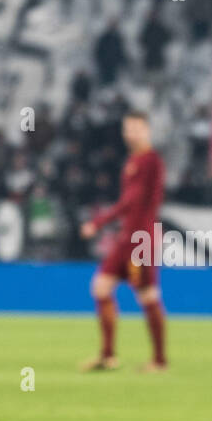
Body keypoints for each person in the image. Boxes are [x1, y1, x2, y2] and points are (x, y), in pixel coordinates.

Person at [79, 111, 167, 372]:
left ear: (147, 130)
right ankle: (108, 356)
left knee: (147, 295)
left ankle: (159, 361)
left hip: (140, 239)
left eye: (137, 128)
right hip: (127, 237)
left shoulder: (151, 161)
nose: (131, 134)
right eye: (128, 129)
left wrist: (98, 222)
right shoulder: (133, 160)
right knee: (101, 287)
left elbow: (131, 201)